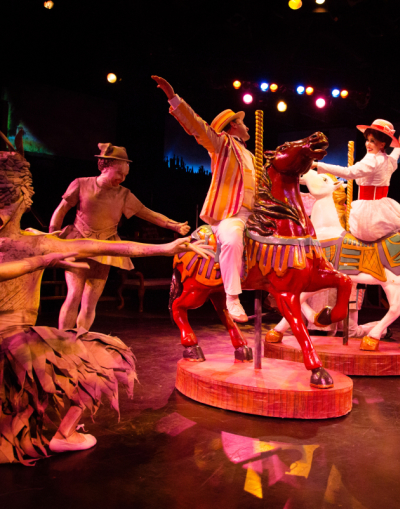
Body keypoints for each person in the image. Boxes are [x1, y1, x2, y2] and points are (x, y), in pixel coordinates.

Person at [0, 137, 198, 463]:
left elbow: (116, 243)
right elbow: (63, 218)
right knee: (94, 334)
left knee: (88, 304)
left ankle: (69, 352)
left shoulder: (119, 198)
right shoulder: (44, 236)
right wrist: (48, 249)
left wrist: (168, 239)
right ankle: (62, 405)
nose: (122, 177)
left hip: (84, 252)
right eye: (119, 172)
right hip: (23, 334)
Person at [50, 143, 190, 330]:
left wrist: (174, 225)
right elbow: (61, 210)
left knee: (91, 301)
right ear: (106, 167)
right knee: (74, 294)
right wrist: (52, 237)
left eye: (125, 176)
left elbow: (148, 213)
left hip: (106, 249)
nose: (122, 179)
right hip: (79, 244)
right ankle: (63, 340)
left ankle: (81, 338)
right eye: (119, 174)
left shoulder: (124, 195)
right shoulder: (81, 184)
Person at [152, 75, 255, 323]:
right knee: (231, 239)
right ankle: (232, 297)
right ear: (233, 127)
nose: (248, 127)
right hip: (231, 213)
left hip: (255, 214)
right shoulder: (221, 144)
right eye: (243, 123)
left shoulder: (249, 155)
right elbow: (197, 126)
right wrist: (173, 98)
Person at [313, 119, 400, 251]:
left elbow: (348, 172)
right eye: (368, 140)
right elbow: (396, 154)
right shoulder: (387, 160)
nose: (368, 144)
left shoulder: (372, 160)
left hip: (369, 214)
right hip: (383, 206)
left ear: (382, 144)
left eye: (372, 141)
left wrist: (319, 165)